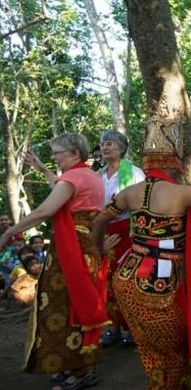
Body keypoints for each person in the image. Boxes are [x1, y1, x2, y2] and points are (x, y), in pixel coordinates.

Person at [91, 132, 191, 389]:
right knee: (174, 350)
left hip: (126, 279)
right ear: (174, 163)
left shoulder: (129, 193)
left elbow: (100, 220)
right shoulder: (183, 193)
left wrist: (100, 246)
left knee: (151, 351)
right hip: (160, 282)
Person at [1, 133, 107, 390]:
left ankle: (79, 371)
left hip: (70, 253)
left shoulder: (71, 179)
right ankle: (82, 366)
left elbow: (43, 211)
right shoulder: (91, 176)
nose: (53, 156)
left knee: (64, 307)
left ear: (74, 153)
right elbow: (62, 186)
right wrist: (41, 168)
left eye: (58, 152)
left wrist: (7, 233)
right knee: (79, 304)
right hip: (88, 248)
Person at [96, 129, 146, 348]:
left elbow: (142, 203)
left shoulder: (133, 173)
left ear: (122, 148)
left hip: (128, 231)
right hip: (104, 232)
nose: (105, 147)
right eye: (103, 143)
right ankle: (113, 327)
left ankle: (132, 329)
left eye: (110, 143)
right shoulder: (98, 175)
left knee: (125, 281)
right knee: (104, 280)